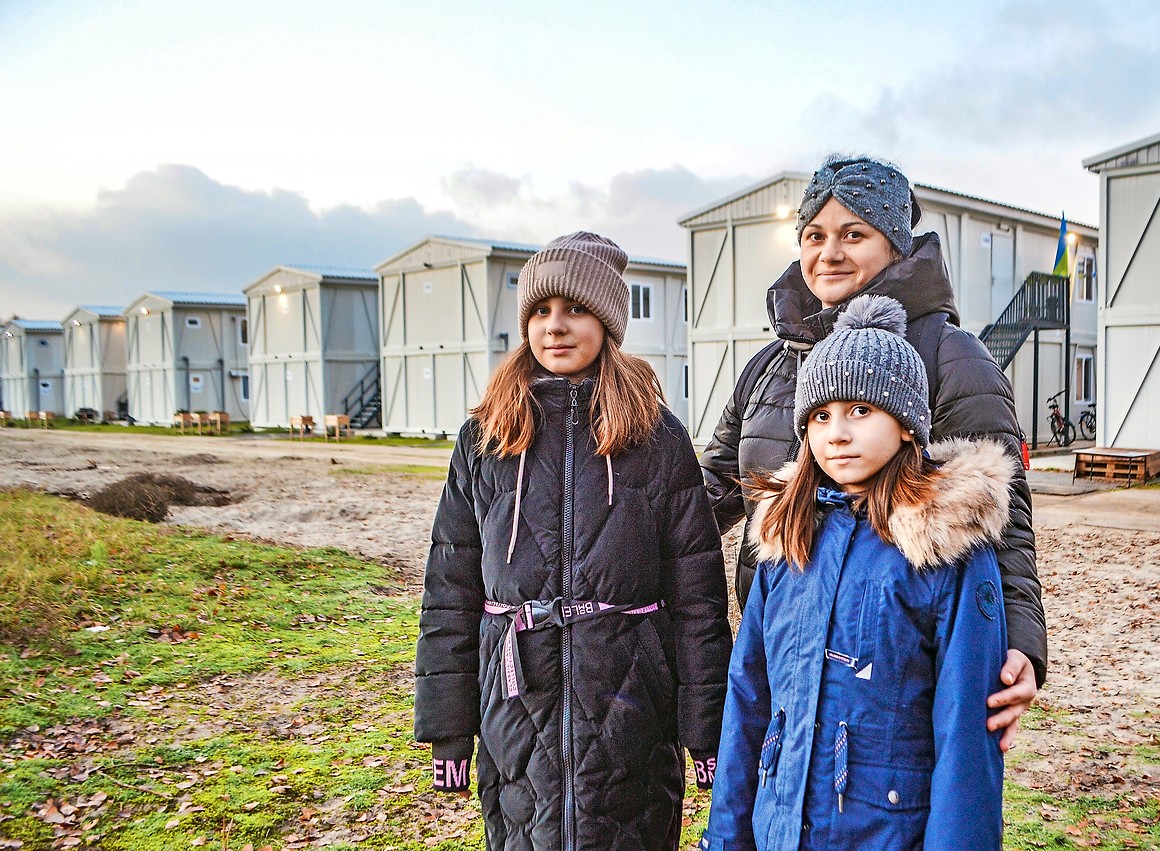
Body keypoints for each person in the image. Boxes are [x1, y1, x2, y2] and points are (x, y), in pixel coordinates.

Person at [699, 154, 1045, 748]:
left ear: (895, 247)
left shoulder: (948, 355)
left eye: (853, 234)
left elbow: (1001, 512)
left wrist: (1020, 641)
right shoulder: (772, 363)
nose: (828, 253)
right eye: (814, 235)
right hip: (786, 639)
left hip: (896, 659)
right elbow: (707, 494)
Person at [413, 232, 732, 850]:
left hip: (631, 699)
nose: (555, 327)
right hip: (515, 699)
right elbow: (449, 585)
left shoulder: (657, 436)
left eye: (575, 309)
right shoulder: (486, 436)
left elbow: (697, 593)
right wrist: (449, 728)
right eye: (539, 311)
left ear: (608, 322)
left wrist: (706, 729)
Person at [700, 295, 1011, 850]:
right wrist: (726, 839)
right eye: (820, 416)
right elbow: (747, 700)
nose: (837, 434)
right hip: (779, 826)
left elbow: (966, 732)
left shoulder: (944, 549)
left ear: (909, 426)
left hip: (884, 831)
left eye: (860, 411)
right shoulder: (786, 538)